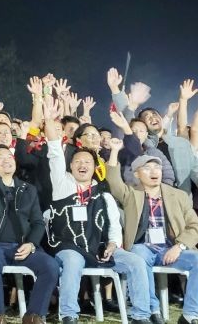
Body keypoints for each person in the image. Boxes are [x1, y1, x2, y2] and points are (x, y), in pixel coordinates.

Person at [43, 108, 152, 324]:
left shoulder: (103, 194)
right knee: (73, 261)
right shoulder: (62, 184)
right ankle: (68, 315)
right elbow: (54, 151)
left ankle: (141, 315)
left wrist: (113, 244)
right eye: (78, 162)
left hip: (98, 248)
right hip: (69, 247)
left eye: (87, 163)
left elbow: (113, 225)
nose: (82, 165)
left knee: (136, 261)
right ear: (70, 166)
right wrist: (48, 119)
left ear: (94, 167)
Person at [0, 92, 57, 324]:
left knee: (50, 265)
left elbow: (38, 222)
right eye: (0, 157)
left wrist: (31, 243)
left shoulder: (27, 189)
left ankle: (33, 314)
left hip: (23, 247)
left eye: (9, 156)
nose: (7, 159)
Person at [105, 139, 198, 324]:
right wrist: (114, 150)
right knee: (138, 254)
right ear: (137, 174)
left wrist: (179, 246)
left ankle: (190, 314)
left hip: (170, 249)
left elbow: (195, 226)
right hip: (143, 248)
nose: (154, 172)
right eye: (147, 168)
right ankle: (151, 310)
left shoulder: (178, 195)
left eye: (157, 168)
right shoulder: (131, 194)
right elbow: (113, 180)